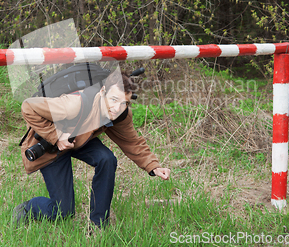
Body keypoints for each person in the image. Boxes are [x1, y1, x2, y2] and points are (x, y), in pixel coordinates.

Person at [13, 70, 171, 228]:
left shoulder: (120, 114)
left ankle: (99, 224)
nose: (117, 108)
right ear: (103, 92)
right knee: (62, 212)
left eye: (124, 103)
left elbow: (132, 142)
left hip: (80, 139)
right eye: (114, 99)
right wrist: (56, 136)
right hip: (54, 145)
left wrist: (154, 166)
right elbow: (28, 106)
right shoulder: (73, 105)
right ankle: (28, 208)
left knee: (107, 159)